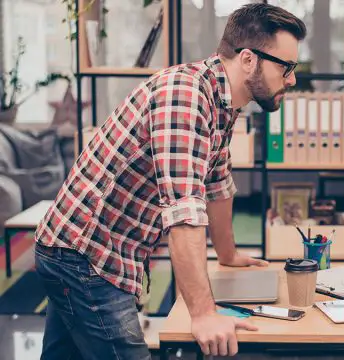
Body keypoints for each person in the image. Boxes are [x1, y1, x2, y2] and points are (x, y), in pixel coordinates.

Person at [34, 3, 306, 359]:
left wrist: (228, 254)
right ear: (249, 60)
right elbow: (183, 212)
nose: (292, 79)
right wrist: (204, 314)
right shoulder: (186, 96)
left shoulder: (223, 101)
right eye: (286, 67)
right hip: (86, 256)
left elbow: (217, 183)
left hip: (80, 248)